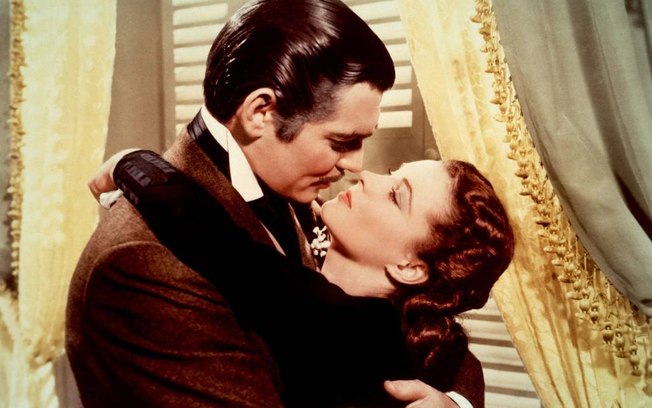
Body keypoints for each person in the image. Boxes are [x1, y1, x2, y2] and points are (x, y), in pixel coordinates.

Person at [66, 0, 486, 407]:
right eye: (342, 141)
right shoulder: (146, 263)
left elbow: (236, 255)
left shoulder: (301, 203)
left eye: (396, 194)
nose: (359, 168)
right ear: (260, 112)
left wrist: (454, 403)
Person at [92, 151, 515, 407]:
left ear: (409, 267)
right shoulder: (400, 326)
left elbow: (219, 243)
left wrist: (131, 163)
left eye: (395, 195)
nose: (368, 176)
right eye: (391, 171)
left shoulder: (361, 330)